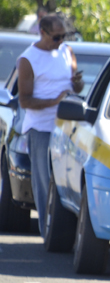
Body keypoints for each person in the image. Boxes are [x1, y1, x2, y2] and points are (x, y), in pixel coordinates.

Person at [17, 14, 84, 235]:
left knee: (67, 179)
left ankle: (67, 229)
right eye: (56, 37)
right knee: (43, 179)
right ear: (42, 33)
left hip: (67, 128)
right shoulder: (28, 59)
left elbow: (77, 88)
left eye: (64, 36)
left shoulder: (67, 52)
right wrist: (53, 102)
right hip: (41, 128)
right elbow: (24, 100)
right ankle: (48, 232)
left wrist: (78, 83)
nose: (61, 42)